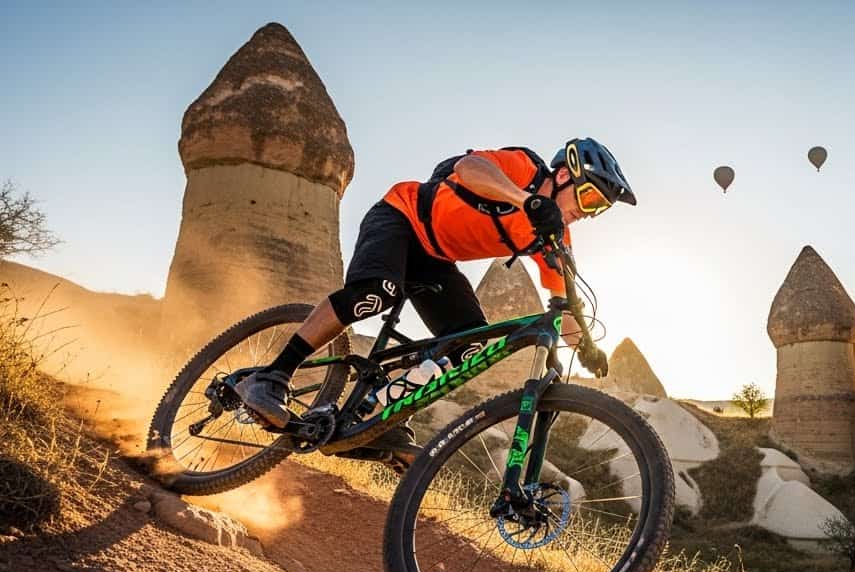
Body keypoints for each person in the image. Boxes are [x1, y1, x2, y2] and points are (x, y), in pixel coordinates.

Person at [233, 138, 636, 467]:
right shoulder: (524, 168)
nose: (587, 212)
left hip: (435, 261)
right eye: (587, 197)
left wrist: (584, 345)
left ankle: (381, 421)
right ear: (563, 174)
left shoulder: (551, 237)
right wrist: (524, 199)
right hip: (401, 218)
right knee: (376, 293)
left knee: (470, 346)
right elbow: (470, 170)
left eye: (598, 208)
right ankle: (272, 376)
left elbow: (564, 303)